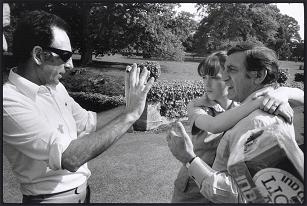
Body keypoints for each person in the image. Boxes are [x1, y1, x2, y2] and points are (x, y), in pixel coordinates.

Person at [3, 10, 154, 203]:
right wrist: (130, 116)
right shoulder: (9, 100)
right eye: (65, 55)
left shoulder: (56, 88)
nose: (70, 65)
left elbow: (88, 122)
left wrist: (132, 105)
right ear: (39, 55)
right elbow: (70, 158)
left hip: (83, 193)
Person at [167, 42, 304, 203]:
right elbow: (215, 125)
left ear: (259, 75)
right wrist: (272, 96)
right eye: (223, 70)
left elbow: (243, 194)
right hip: (192, 188)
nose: (224, 78)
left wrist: (188, 158)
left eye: (231, 70)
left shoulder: (256, 122)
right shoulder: (204, 107)